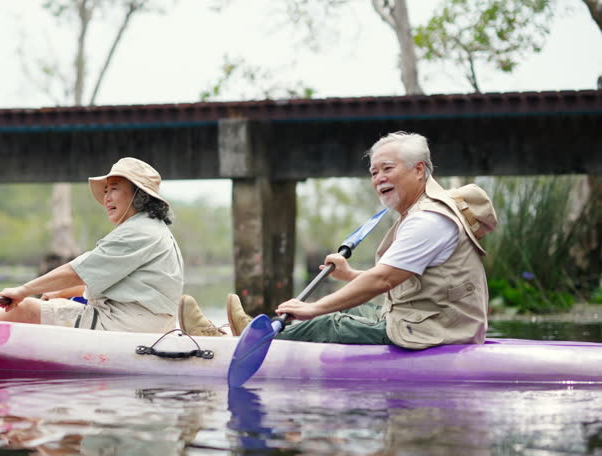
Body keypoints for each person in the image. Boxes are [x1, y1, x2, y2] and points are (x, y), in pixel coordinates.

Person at [180, 131, 498, 350]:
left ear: (419, 171)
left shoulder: (428, 219)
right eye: (374, 172)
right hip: (430, 322)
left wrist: (313, 309)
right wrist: (349, 275)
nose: (378, 179)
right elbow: (405, 277)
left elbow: (384, 279)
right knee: (360, 314)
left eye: (387, 169)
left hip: (439, 333)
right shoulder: (419, 213)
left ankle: (231, 343)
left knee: (329, 323)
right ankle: (250, 332)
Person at [0, 157, 184, 333]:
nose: (107, 197)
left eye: (114, 189)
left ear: (137, 196)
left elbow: (79, 270)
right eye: (107, 189)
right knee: (43, 302)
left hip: (129, 327)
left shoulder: (138, 232)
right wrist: (59, 292)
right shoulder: (150, 229)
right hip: (140, 321)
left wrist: (23, 290)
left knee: (27, 308)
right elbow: (112, 282)